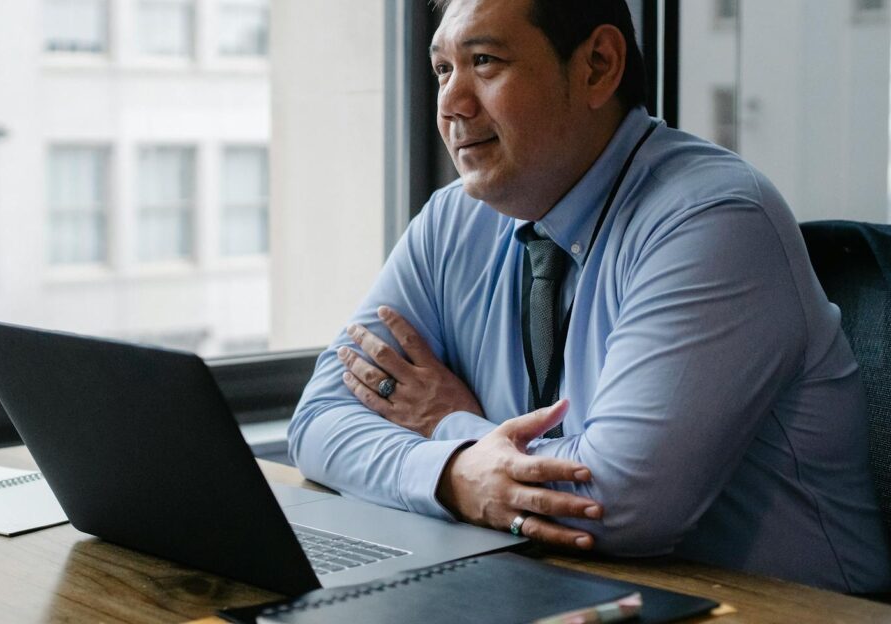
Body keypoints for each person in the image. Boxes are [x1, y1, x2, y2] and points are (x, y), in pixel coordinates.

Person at [288, 0, 891, 593]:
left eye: (485, 61)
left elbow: (618, 504)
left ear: (598, 66)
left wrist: (448, 425)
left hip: (780, 609)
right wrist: (458, 472)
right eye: (444, 69)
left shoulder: (715, 219)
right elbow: (317, 421)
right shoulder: (454, 219)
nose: (450, 103)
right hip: (564, 588)